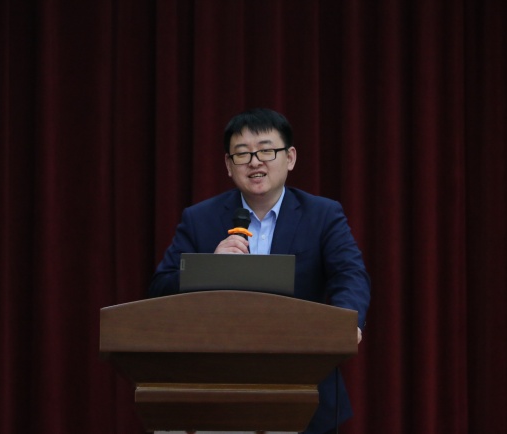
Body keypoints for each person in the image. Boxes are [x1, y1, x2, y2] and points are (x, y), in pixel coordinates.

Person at [149, 108, 371, 434]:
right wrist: (209, 268)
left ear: (290, 158)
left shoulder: (322, 215)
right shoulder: (199, 219)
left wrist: (347, 321)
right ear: (228, 165)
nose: (255, 162)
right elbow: (160, 287)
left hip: (303, 385)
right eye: (242, 154)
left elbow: (350, 274)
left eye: (266, 151)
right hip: (218, 390)